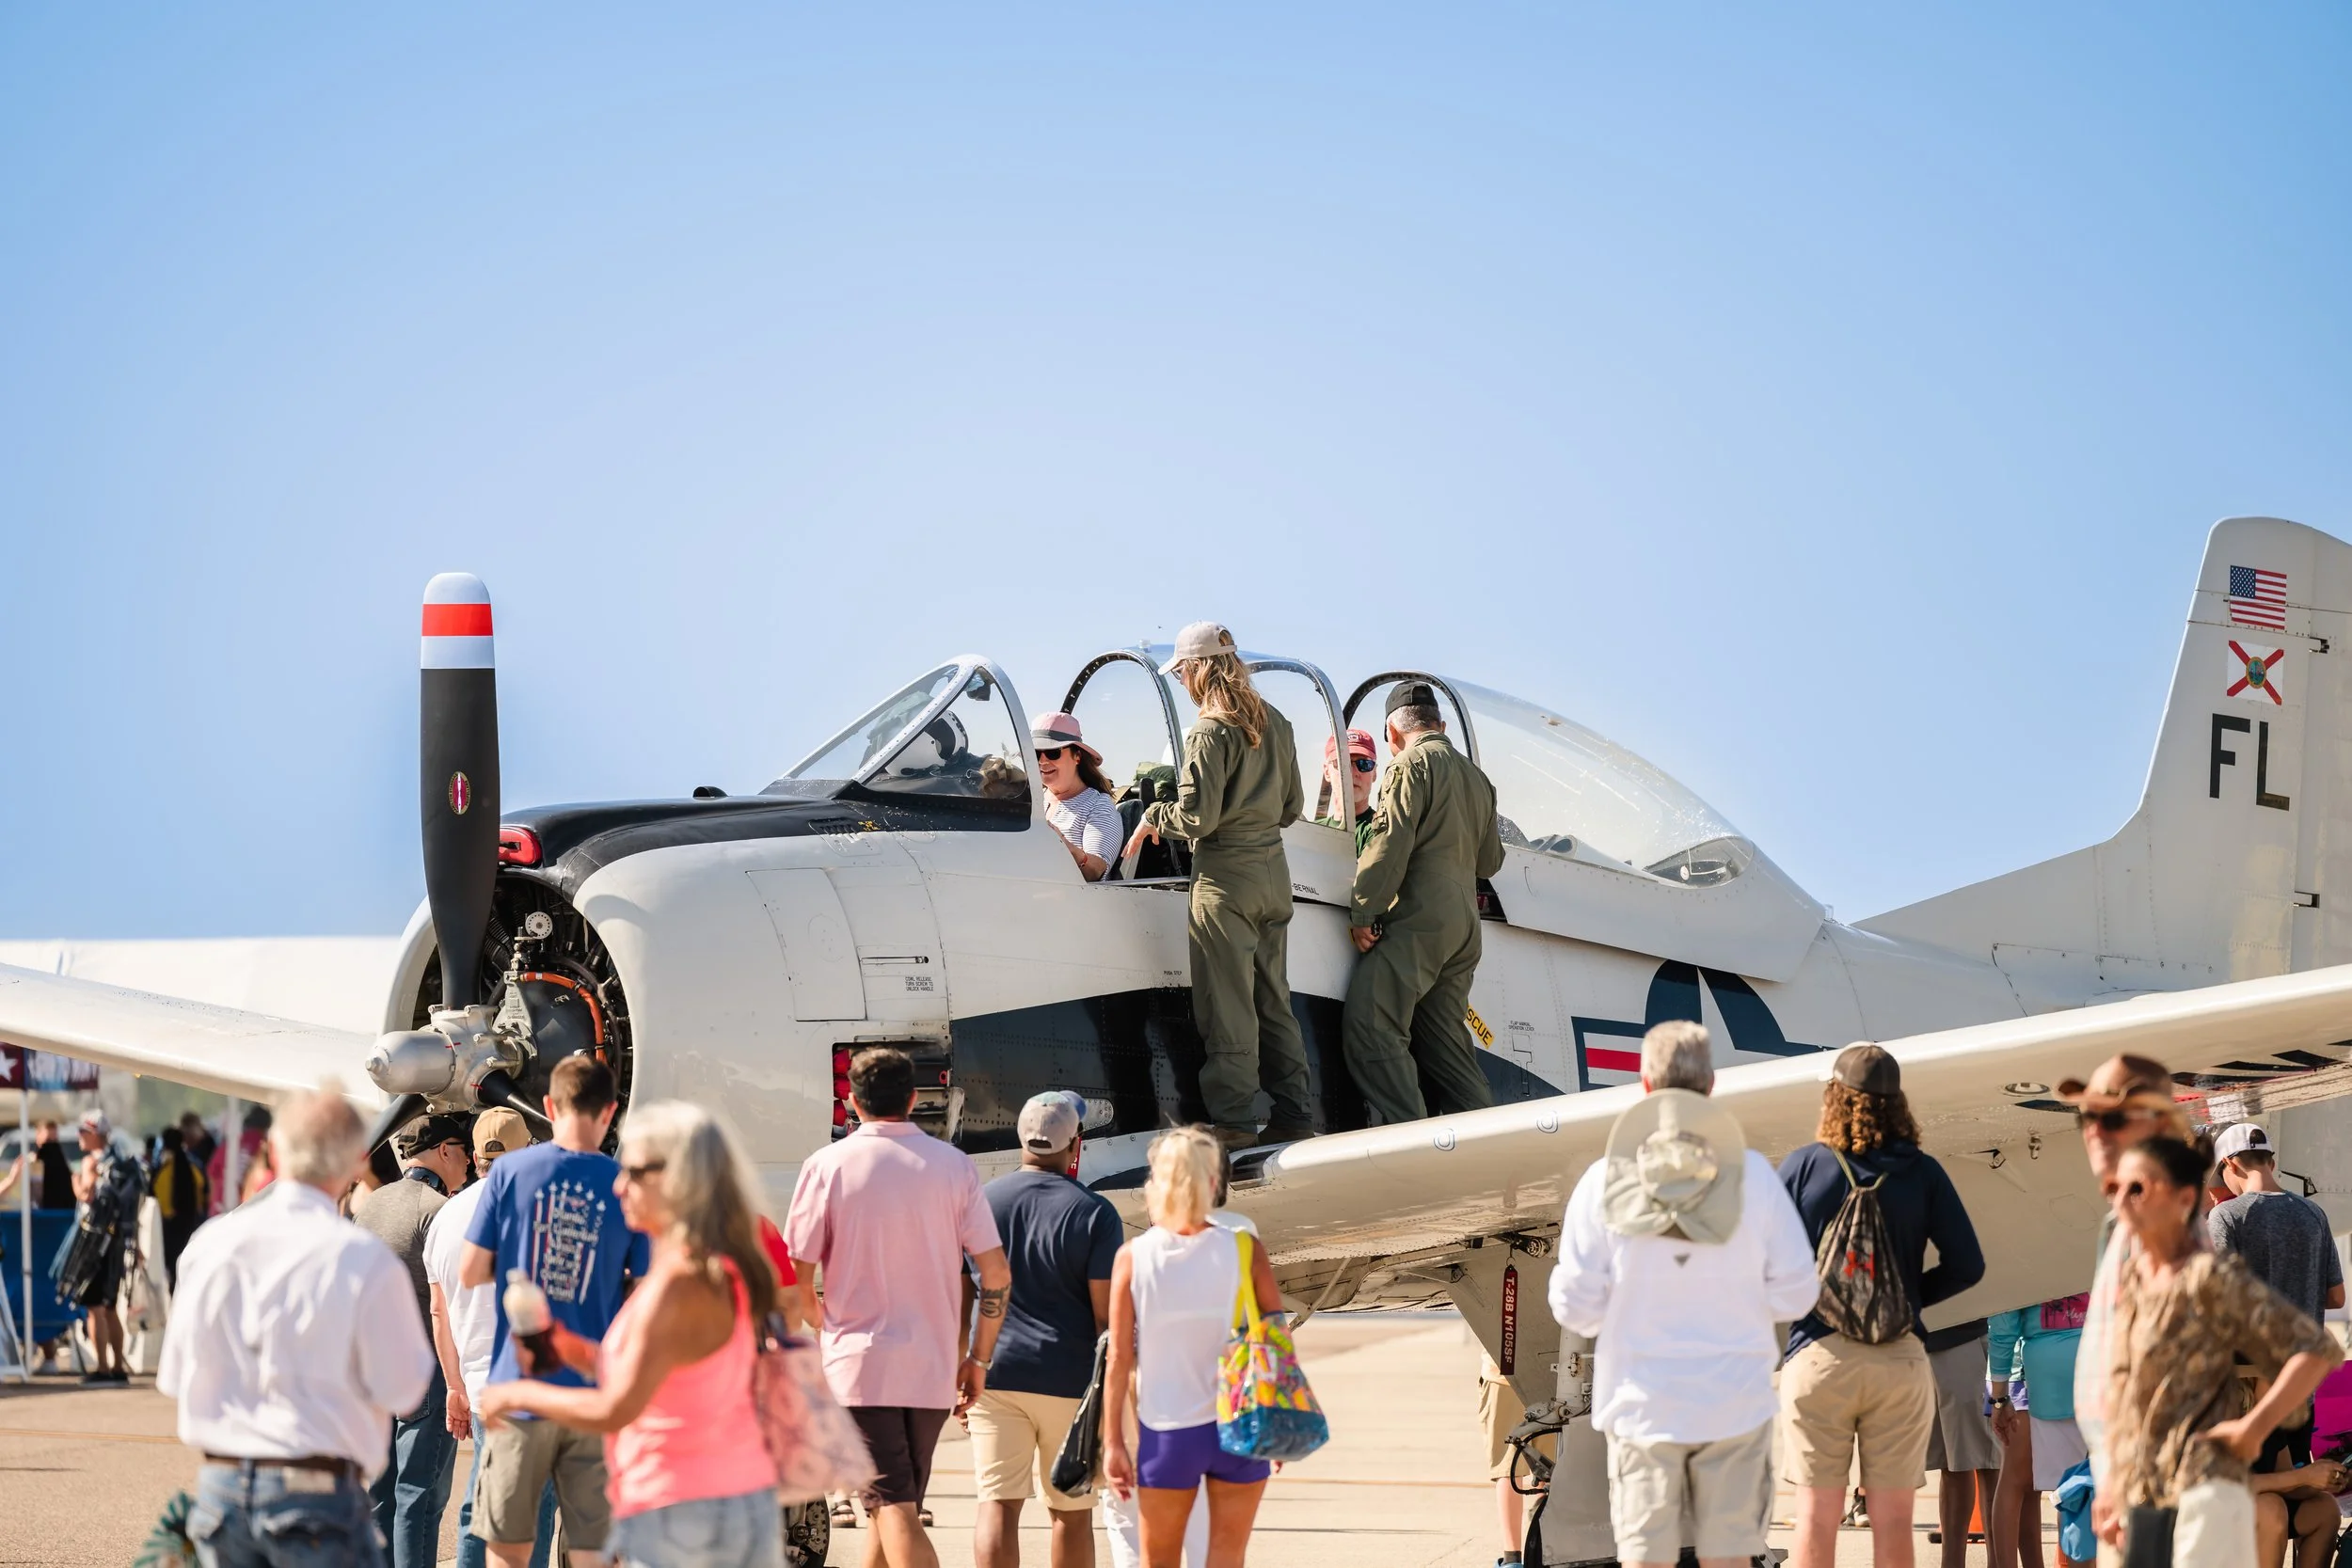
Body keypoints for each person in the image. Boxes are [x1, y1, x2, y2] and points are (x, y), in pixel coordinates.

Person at [1549, 1021, 1820, 1568]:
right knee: (1728, 1556)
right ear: (1712, 1085)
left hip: (1642, 1404)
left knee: (1646, 1556)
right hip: (1734, 1403)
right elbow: (1797, 1296)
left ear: (1644, 1084)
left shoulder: (1604, 1181)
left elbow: (1576, 1306)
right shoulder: (1756, 1181)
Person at [480, 1102, 784, 1568]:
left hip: (685, 1514)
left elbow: (616, 1407)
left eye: (636, 1172)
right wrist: (572, 1349)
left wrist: (519, 1392)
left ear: (680, 1177)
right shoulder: (698, 1268)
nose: (619, 1185)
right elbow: (660, 1376)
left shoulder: (681, 1282)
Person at [157, 1085, 435, 1567]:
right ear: (354, 1162)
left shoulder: (209, 1245)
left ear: (273, 1150)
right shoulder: (362, 1260)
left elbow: (176, 1378)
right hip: (317, 1493)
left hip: (221, 1490)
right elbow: (406, 1390)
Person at [784, 1045, 1011, 1568]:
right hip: (930, 1371)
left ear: (850, 1100)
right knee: (891, 1511)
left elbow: (797, 1282)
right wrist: (977, 1360)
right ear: (913, 1099)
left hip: (861, 1367)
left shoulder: (826, 1166)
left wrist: (827, 1328)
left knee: (893, 1512)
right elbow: (995, 1275)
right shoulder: (954, 1167)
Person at [1777, 1044, 1984, 1568]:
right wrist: (1908, 1300)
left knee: (1816, 1518)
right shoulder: (1924, 1172)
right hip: (1899, 1358)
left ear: (1834, 1097)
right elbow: (1968, 1265)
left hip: (1819, 1357)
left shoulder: (1805, 1166)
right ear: (1899, 1103)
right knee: (1893, 1521)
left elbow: (1767, 1263)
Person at [2092, 1134, 2343, 1565]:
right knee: (2269, 1511)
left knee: (2310, 1507)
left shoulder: (2223, 1219)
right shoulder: (2312, 1214)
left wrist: (2314, 1478)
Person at [1122, 622, 1315, 1151]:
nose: (1182, 680)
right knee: (1273, 1000)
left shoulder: (1209, 730)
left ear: (1198, 668)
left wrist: (1153, 814)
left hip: (1225, 880)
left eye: (1183, 670)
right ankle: (1296, 1114)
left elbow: (1197, 817)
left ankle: (1233, 1122)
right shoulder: (1277, 721)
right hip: (1274, 877)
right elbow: (1294, 807)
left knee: (1226, 1003)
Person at [461, 1056, 649, 1568]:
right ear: (610, 1112)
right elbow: (646, 1289)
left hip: (521, 1389)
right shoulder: (623, 1184)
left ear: (548, 1106)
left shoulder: (511, 1173)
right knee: (593, 1551)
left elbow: (471, 1270)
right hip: (594, 1394)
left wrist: (525, 1254)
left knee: (509, 1552)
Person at [1104, 1126, 1284, 1568]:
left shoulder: (1133, 1257)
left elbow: (1119, 1359)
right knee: (1226, 1559)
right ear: (1212, 1182)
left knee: (1158, 1560)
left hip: (1168, 1431)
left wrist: (1113, 1443)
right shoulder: (1244, 1248)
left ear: (1155, 1184)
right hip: (1238, 1426)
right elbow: (1274, 1340)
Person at [968, 1092, 1123, 1568]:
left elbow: (960, 1294)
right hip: (1069, 1381)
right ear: (1074, 1144)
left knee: (997, 1505)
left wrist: (964, 1365)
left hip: (995, 1375)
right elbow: (1106, 1318)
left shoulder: (981, 1202)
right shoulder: (1096, 1213)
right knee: (1071, 1514)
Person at [1342, 682, 1506, 1127]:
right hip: (1465, 930)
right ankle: (1487, 1140)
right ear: (1442, 726)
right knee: (1444, 1044)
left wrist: (1363, 911)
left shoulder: (1408, 765)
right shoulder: (1478, 779)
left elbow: (1389, 843)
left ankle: (1412, 1139)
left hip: (1422, 918)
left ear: (1393, 734)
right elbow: (1490, 860)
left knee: (1370, 1025)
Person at [2061, 1053, 2197, 1495]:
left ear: (2159, 1126)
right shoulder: (2129, 1218)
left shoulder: (2158, 1219)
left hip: (2153, 1476)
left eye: (2115, 1117)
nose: (2096, 1131)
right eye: (2087, 1116)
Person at [423, 1108, 553, 1568]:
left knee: (483, 1497)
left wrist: (454, 1386)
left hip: (478, 1385)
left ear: (476, 1156)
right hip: (537, 1383)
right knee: (532, 1511)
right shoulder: (544, 1209)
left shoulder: (445, 1218)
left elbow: (439, 1311)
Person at [354, 1112, 473, 1568]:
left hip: (373, 1368)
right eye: (463, 1153)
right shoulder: (439, 1211)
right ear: (444, 1151)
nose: (467, 1164)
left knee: (382, 1493)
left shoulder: (372, 1205)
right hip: (426, 1369)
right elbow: (452, 1300)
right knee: (419, 1497)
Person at [1986, 1294, 2090, 1568]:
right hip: (2104, 1358)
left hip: (2040, 1366)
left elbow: (2003, 1317)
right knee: (2080, 1486)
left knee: (2067, 1485)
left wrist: (1998, 1394)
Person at [2209, 1122, 2344, 1325]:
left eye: (2221, 1176)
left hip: (2252, 1355)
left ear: (2230, 1164)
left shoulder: (2226, 1215)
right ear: (2271, 1164)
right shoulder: (2314, 1213)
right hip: (2309, 1353)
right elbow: (2336, 1297)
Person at [66, 1108, 142, 1385]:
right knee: (109, 1306)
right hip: (117, 1243)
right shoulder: (120, 1163)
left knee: (94, 1307)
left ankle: (101, 1368)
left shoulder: (91, 1163)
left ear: (94, 1135)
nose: (79, 1137)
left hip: (94, 1244)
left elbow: (86, 1195)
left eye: (83, 1132)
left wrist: (75, 1181)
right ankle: (119, 1366)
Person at [1920, 1318, 2002, 1568]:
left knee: (1986, 1460)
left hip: (1964, 1330)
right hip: (1923, 1337)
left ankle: (1998, 1562)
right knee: (1952, 1461)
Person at [1478, 1352, 1552, 1568]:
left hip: (1503, 1370)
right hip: (1550, 1371)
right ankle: (1549, 1548)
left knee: (1508, 1467)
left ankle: (1512, 1558)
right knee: (1554, 1466)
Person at [1033, 713, 1126, 881]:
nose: (1042, 761)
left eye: (1053, 752)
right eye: (1036, 753)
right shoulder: (1027, 800)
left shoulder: (1098, 805)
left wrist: (1064, 847)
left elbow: (1096, 872)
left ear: (1077, 756)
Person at [151, 1125, 212, 1289]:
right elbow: (202, 1192)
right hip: (190, 1224)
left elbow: (159, 1198)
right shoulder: (193, 1166)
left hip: (170, 1228)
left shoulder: (164, 1168)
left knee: (172, 1270)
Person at [1315, 728, 1380, 854]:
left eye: (1364, 764)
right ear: (1327, 772)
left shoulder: (1380, 831)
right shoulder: (1312, 831)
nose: (1353, 772)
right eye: (1342, 763)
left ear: (1375, 773)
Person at [209, 1104, 273, 1215]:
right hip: (248, 1207)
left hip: (220, 1204)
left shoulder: (231, 1143)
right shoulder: (263, 1145)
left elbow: (212, 1172)